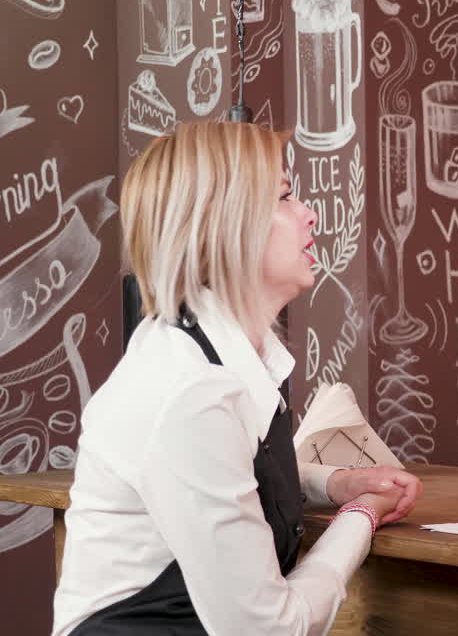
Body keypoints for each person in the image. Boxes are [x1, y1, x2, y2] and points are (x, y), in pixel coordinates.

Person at [53, 122, 423, 635]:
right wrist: (361, 515)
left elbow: (230, 471)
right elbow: (271, 629)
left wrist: (333, 483)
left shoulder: (211, 354)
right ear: (225, 226)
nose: (309, 213)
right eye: (285, 197)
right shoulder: (189, 392)